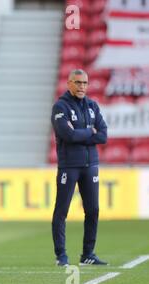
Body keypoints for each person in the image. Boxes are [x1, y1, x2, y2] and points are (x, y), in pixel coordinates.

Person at [51, 69, 108, 267]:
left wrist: (82, 133)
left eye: (84, 83)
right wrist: (89, 132)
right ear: (69, 84)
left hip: (90, 166)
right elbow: (68, 135)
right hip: (69, 166)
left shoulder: (92, 106)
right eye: (77, 82)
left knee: (93, 210)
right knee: (62, 211)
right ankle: (61, 255)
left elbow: (102, 135)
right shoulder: (61, 107)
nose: (81, 86)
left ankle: (88, 254)